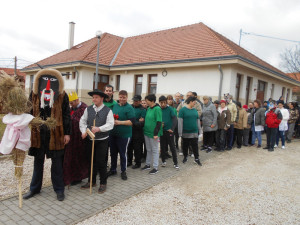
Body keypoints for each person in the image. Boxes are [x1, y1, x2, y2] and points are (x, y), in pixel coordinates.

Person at [23, 69, 71, 201]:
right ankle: (34, 188)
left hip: (56, 134)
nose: (48, 85)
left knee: (56, 164)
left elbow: (66, 115)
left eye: (52, 81)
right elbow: (28, 110)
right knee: (38, 162)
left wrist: (67, 133)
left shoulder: (62, 95)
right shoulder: (34, 94)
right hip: (38, 133)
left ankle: (59, 189)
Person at [79, 89, 114, 193]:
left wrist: (99, 128)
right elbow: (83, 121)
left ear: (102, 98)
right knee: (91, 161)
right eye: (93, 97)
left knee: (101, 162)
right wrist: (83, 131)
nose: (94, 99)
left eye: (96, 97)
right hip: (90, 139)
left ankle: (103, 182)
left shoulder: (108, 110)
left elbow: (110, 124)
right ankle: (91, 181)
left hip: (102, 140)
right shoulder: (88, 109)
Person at [108, 90, 135, 180]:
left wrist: (119, 122)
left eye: (124, 97)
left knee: (123, 154)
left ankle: (123, 171)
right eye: (120, 97)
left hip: (124, 135)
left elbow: (131, 122)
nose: (122, 99)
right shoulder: (115, 106)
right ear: (118, 97)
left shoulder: (129, 108)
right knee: (113, 153)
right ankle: (113, 169)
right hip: (113, 134)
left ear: (127, 98)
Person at [63, 92, 89, 186]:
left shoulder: (84, 109)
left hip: (79, 139)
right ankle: (70, 176)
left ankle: (78, 177)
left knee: (79, 158)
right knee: (71, 158)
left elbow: (82, 122)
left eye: (72, 102)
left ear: (77, 100)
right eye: (70, 103)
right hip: (71, 138)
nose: (71, 105)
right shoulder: (71, 109)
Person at [141, 94, 163, 174]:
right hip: (146, 132)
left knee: (155, 150)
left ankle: (155, 167)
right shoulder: (149, 108)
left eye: (147, 101)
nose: (146, 102)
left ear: (152, 101)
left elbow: (159, 122)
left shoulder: (157, 109)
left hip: (153, 134)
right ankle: (147, 164)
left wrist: (156, 133)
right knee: (148, 149)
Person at [178, 96, 202, 165]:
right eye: (194, 102)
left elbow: (198, 121)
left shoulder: (195, 110)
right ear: (191, 101)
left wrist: (200, 131)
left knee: (195, 146)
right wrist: (180, 133)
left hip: (194, 132)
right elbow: (180, 122)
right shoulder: (182, 110)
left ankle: (197, 158)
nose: (195, 103)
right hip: (185, 132)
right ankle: (185, 157)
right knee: (185, 146)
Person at [159, 96, 179, 169]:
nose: (163, 104)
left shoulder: (170, 109)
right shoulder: (158, 109)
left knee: (172, 147)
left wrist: (172, 128)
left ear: (166, 102)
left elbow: (174, 119)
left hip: (169, 131)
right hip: (162, 131)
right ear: (159, 102)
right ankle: (163, 161)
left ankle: (175, 163)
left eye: (164, 102)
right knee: (162, 147)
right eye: (161, 103)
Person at [127, 95, 146, 169]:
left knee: (137, 148)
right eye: (134, 100)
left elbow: (142, 123)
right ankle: (129, 161)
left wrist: (132, 122)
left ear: (140, 101)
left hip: (138, 132)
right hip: (129, 131)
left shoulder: (143, 110)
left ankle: (138, 163)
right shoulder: (130, 107)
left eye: (137, 101)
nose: (135, 102)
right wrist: (137, 121)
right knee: (129, 147)